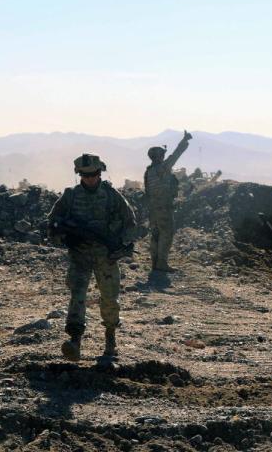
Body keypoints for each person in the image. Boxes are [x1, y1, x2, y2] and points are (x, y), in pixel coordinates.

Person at [47, 153, 136, 361]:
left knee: (109, 298)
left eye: (94, 174)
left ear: (100, 173)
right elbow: (53, 223)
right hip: (80, 255)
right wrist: (66, 239)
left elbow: (130, 222)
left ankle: (110, 339)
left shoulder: (112, 195)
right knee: (77, 295)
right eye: (85, 175)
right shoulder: (70, 196)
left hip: (106, 255)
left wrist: (121, 245)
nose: (90, 179)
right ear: (79, 175)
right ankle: (75, 341)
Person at [144, 130, 191, 272]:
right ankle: (162, 263)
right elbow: (176, 155)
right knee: (167, 233)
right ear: (159, 157)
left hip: (153, 208)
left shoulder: (149, 171)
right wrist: (184, 141)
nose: (164, 157)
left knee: (156, 234)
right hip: (163, 207)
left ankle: (155, 263)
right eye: (162, 155)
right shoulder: (162, 168)